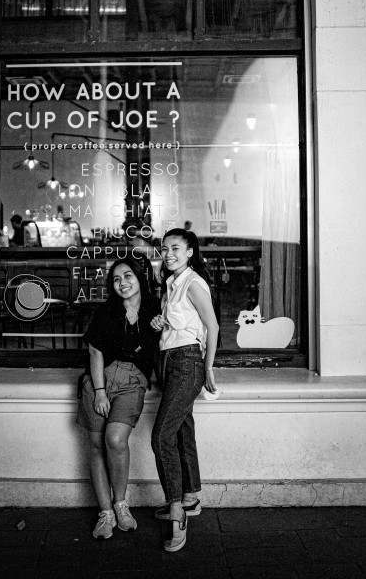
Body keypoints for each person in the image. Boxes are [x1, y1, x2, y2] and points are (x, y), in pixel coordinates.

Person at [77, 257, 161, 539]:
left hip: (132, 382)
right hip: (98, 382)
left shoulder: (155, 309)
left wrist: (164, 327)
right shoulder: (106, 312)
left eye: (128, 276)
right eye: (116, 279)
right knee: (97, 446)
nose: (123, 282)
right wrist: (99, 392)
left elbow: (175, 336)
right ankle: (106, 513)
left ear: (139, 278)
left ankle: (121, 504)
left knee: (114, 439)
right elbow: (95, 352)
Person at [150, 228, 218, 553]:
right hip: (171, 361)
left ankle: (177, 513)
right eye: (165, 249)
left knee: (161, 437)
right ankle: (190, 497)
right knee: (181, 431)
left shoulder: (193, 283)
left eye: (176, 248)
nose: (169, 254)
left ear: (190, 251)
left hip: (188, 362)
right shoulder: (172, 285)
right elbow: (181, 323)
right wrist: (160, 322)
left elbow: (213, 325)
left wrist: (207, 367)